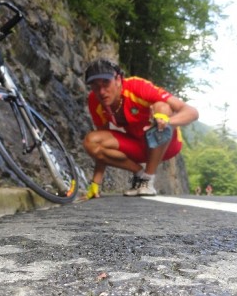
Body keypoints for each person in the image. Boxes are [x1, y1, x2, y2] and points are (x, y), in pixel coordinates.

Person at [82, 58, 199, 198]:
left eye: (106, 83)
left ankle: (148, 180)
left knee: (162, 107)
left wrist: (167, 121)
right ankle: (140, 173)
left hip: (167, 144)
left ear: (118, 80)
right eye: (95, 86)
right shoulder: (95, 101)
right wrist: (96, 182)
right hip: (137, 145)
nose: (101, 91)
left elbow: (192, 112)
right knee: (92, 141)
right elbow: (101, 140)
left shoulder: (137, 87)